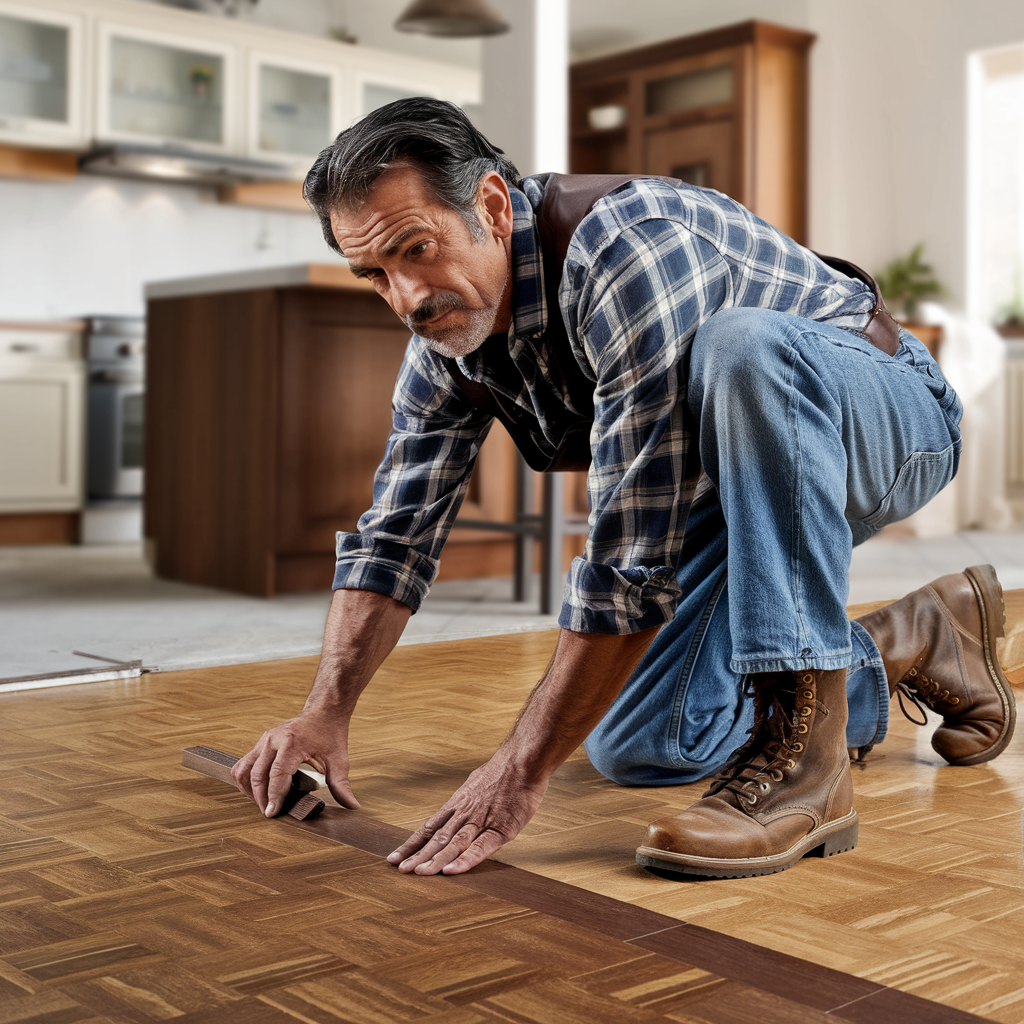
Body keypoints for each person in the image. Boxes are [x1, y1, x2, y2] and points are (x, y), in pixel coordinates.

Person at [231, 98, 1016, 880]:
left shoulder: (626, 252)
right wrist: (324, 714)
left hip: (888, 422)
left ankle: (807, 767)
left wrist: (518, 771)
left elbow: (626, 564)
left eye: (416, 250)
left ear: (494, 208)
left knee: (742, 348)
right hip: (726, 485)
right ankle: (916, 637)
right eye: (375, 274)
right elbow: (394, 538)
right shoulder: (444, 341)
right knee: (646, 742)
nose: (405, 297)